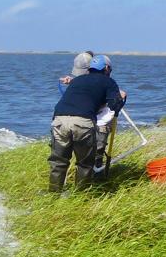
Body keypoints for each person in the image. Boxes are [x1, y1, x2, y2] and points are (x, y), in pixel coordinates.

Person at [49, 54, 125, 192]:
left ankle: (53, 195)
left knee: (58, 162)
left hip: (59, 119)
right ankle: (81, 196)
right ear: (107, 68)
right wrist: (122, 98)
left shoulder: (77, 80)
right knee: (85, 164)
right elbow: (115, 105)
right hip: (82, 123)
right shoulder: (109, 82)